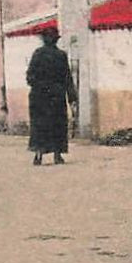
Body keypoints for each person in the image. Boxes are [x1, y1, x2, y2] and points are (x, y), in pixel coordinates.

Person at [26, 30, 76, 165]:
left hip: (39, 96)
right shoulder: (61, 56)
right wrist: (72, 98)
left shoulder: (38, 54)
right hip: (56, 96)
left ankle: (38, 155)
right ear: (56, 40)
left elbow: (29, 77)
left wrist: (39, 85)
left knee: (40, 126)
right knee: (57, 125)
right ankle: (57, 154)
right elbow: (67, 79)